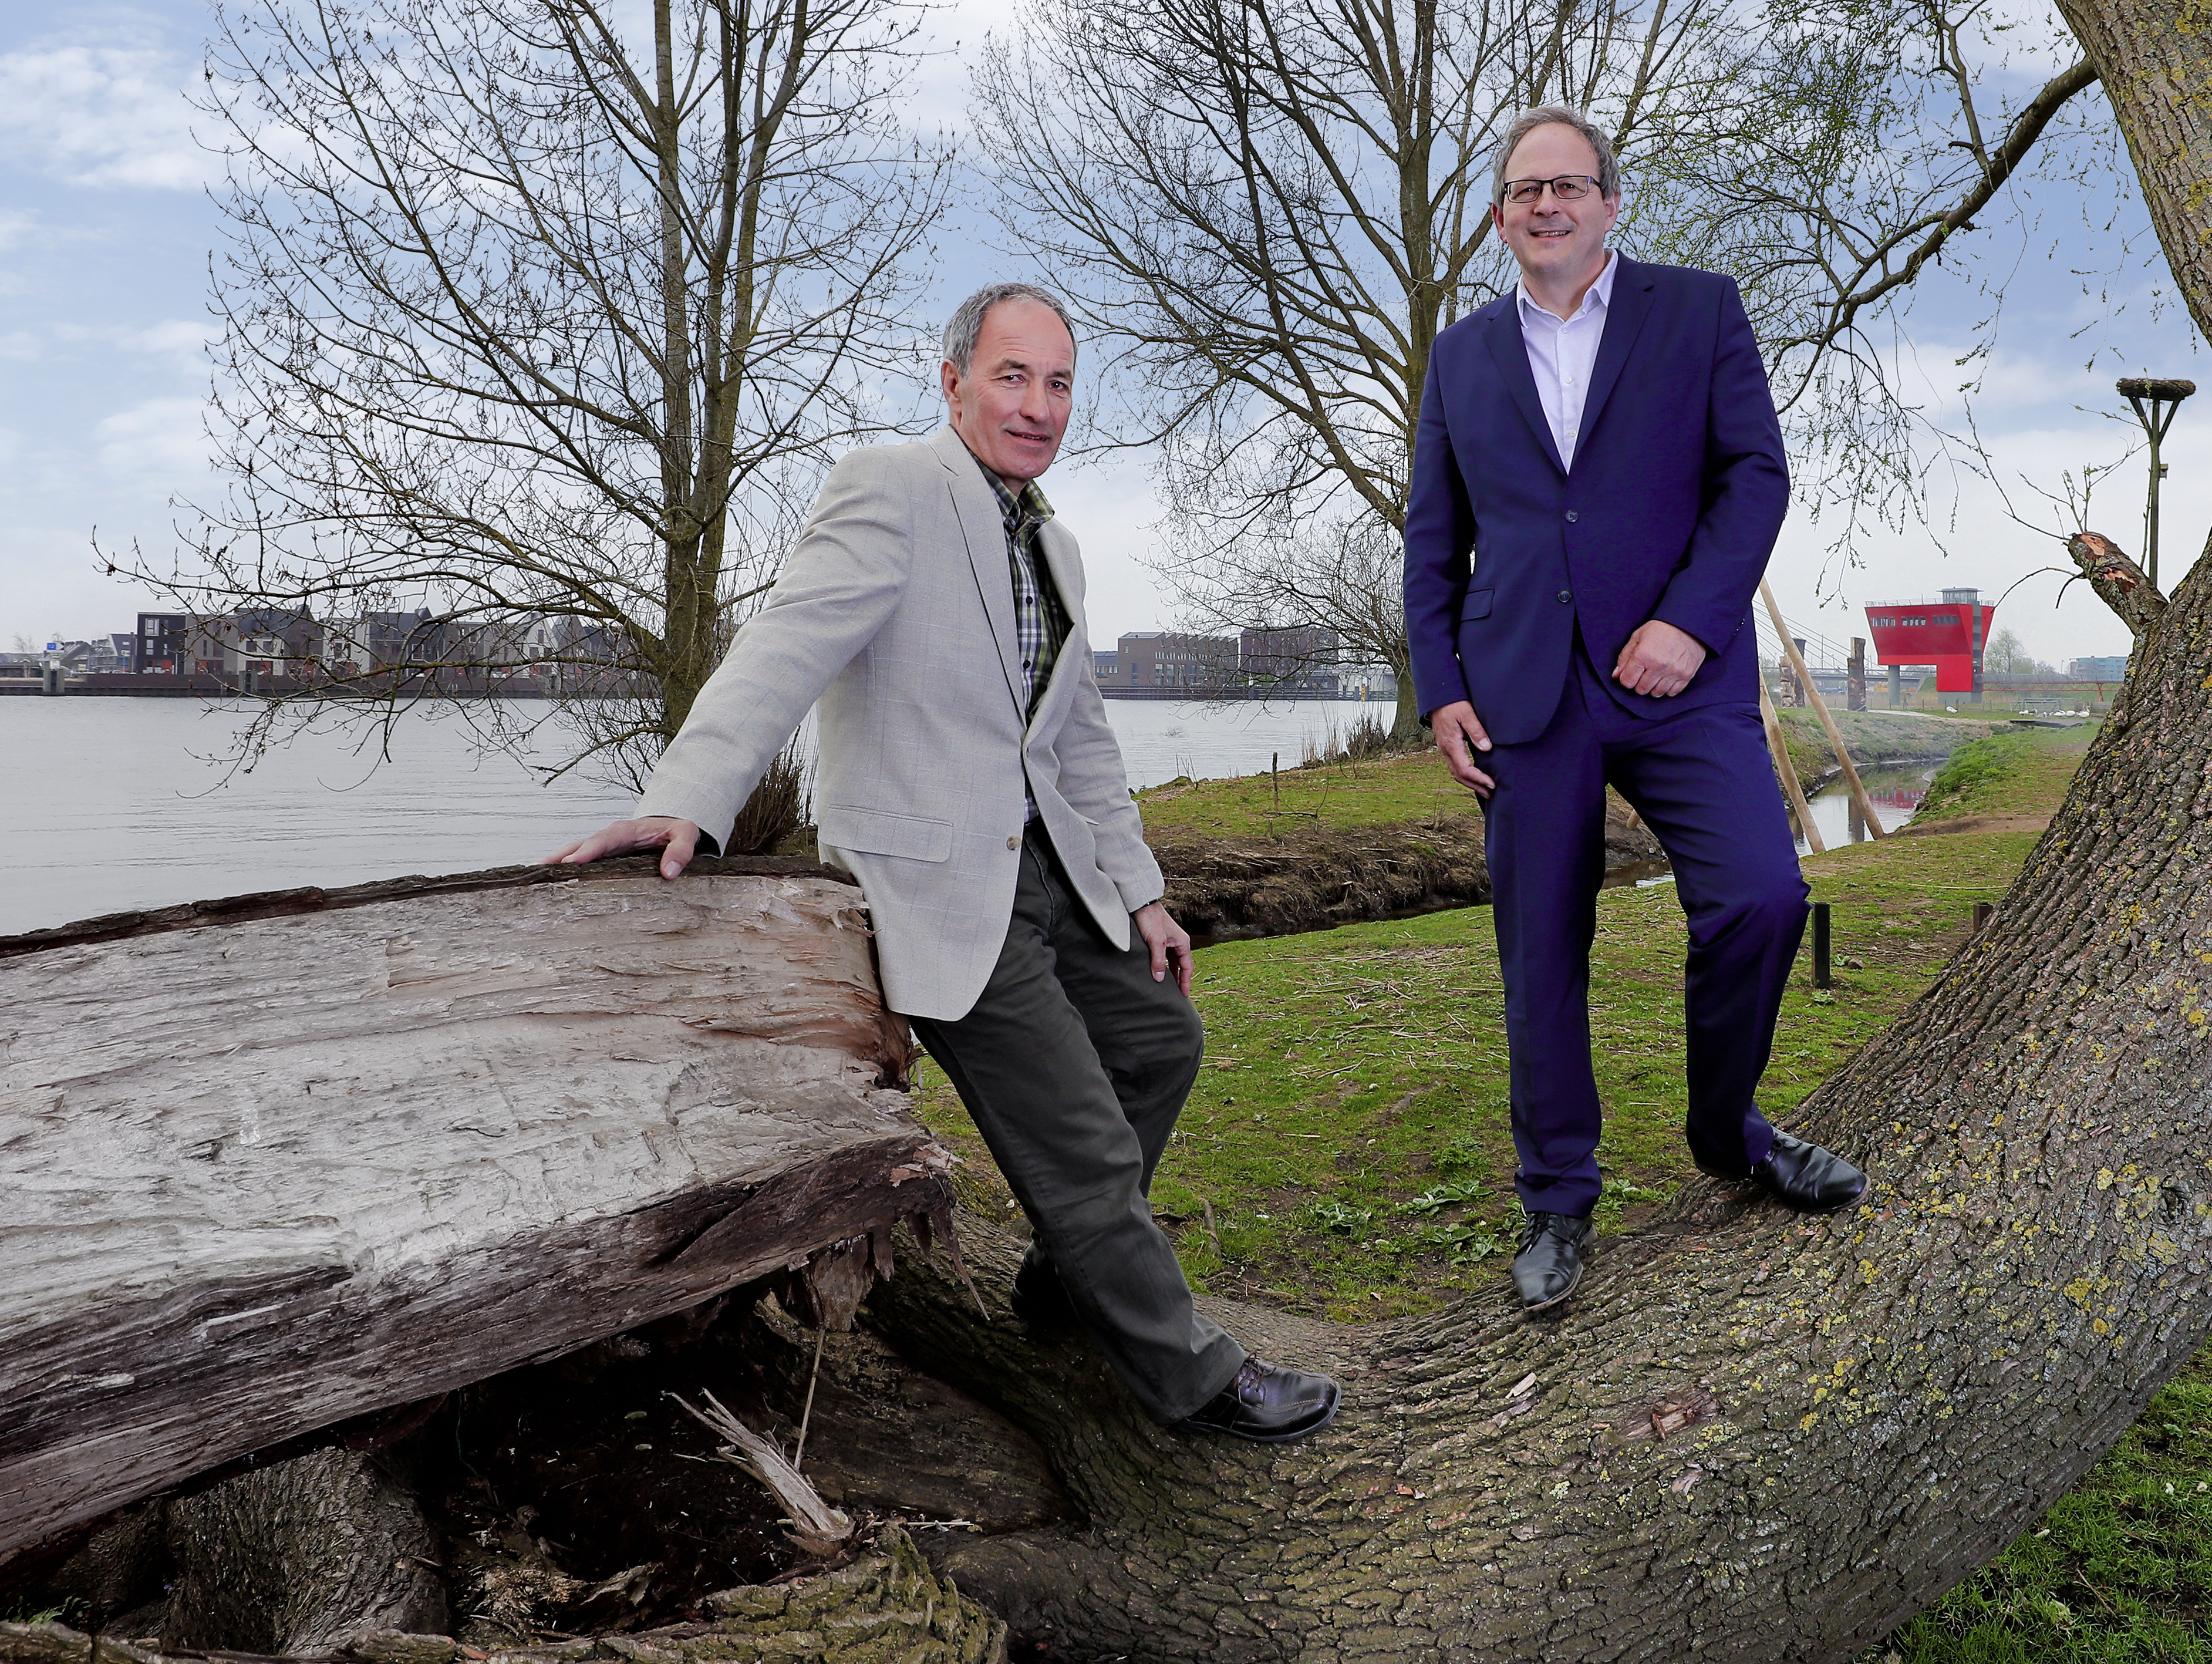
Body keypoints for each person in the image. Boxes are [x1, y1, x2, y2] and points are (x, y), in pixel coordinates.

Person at [550, 284, 1338, 1442]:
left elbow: (1075, 736)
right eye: (1012, 376)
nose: (1037, 405)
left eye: (1059, 383)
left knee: (1163, 1042)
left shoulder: (1056, 546)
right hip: (934, 886)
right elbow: (787, 644)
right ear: (954, 380)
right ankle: (1190, 1379)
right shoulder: (894, 491)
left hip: (1054, 875)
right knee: (1077, 1140)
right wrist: (689, 801)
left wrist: (1142, 892)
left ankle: (1069, 1279)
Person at [1404, 106, 1867, 1312]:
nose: (1544, 206)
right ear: (1501, 218)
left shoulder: (1698, 310)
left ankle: (1732, 1133)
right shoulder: (1461, 357)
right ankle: (1557, 1197)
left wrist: (1689, 620)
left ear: (1612, 202)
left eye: (1567, 185)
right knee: (1540, 962)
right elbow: (1434, 539)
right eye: (1521, 192)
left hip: (1676, 683)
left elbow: (1755, 474)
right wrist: (1441, 687)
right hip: (1524, 697)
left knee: (1765, 897)